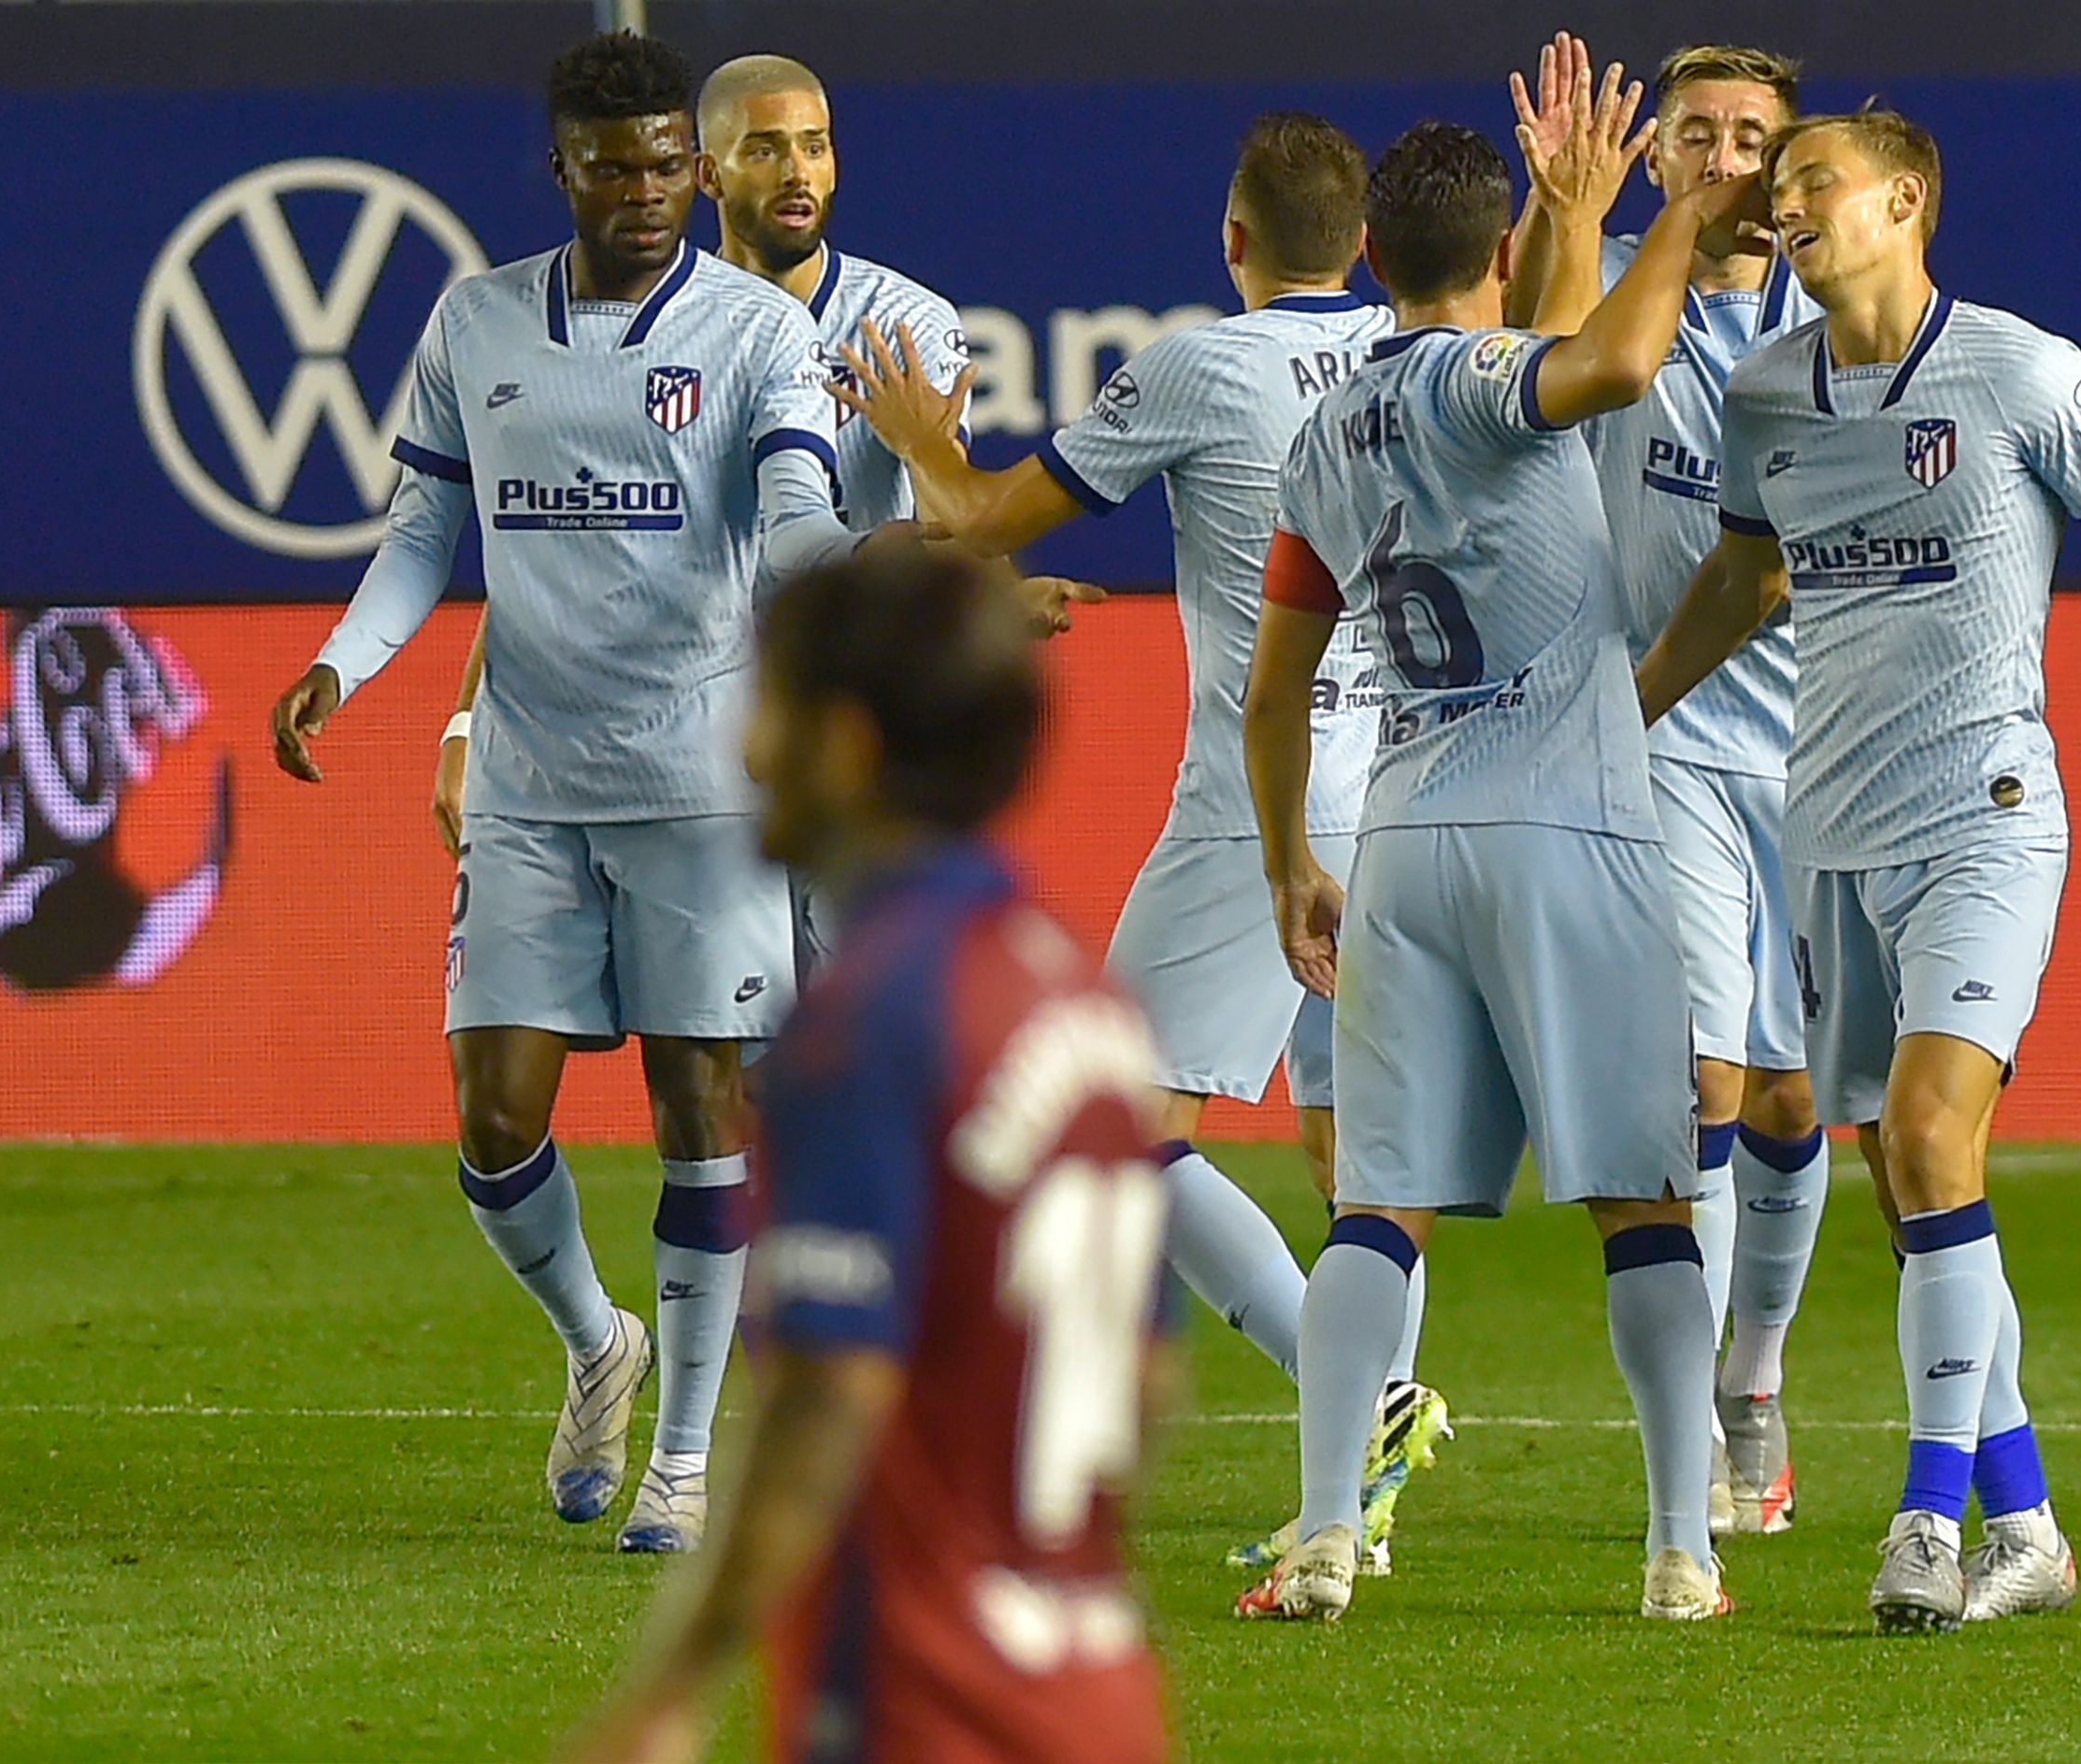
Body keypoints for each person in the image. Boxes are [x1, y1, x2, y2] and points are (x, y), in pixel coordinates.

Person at [1637, 108, 2081, 1631]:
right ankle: (2027, 1522)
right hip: (1826, 832)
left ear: (1904, 202)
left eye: (1814, 180)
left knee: (1939, 1138)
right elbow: (1744, 577)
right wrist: (1620, 711)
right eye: (1782, 189)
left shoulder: (2022, 370)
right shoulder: (1766, 393)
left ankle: (1926, 1525)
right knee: (1904, 1181)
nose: (1789, 203)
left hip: (1986, 814)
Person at [269, 30, 864, 1555]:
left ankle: (679, 1456)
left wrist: (876, 576)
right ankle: (599, 1338)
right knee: (493, 1114)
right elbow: (421, 535)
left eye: (673, 162)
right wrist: (344, 666)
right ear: (564, 173)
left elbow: (794, 518)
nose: (652, 189)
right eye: (619, 167)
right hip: (533, 785)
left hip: (697, 785)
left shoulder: (750, 332)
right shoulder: (476, 323)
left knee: (698, 1101)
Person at [834, 113, 1449, 1573]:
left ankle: (1351, 1402)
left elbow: (978, 520)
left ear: (1232, 241)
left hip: (1267, 800)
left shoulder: (1197, 366)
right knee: (1364, 1147)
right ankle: (1354, 1485)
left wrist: (922, 440)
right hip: (1424, 781)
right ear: (1361, 244)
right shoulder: (1415, 359)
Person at [1237, 109, 1746, 1625]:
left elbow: (1274, 691)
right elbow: (1606, 365)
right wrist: (1674, 211)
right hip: (1565, 833)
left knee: (1376, 1209)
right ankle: (1678, 1547)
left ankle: (1326, 1528)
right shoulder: (1495, 381)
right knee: (1643, 1199)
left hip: (1401, 839)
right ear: (1503, 257)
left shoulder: (1325, 433)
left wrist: (1287, 867)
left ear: (1373, 258)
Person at [563, 544, 1173, 1764]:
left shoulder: (868, 1023)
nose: (743, 748)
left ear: (843, 746)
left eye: (766, 701)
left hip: (922, 1697)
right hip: (1097, 1681)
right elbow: (1148, 1381)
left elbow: (826, 1395)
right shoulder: (1085, 1009)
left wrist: (671, 1685)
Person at [428, 51, 1084, 862]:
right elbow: (560, 540)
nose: (797, 171)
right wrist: (466, 721)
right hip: (676, 742)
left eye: (815, 145)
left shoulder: (899, 323)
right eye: (766, 149)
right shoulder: (636, 321)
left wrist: (993, 585)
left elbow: (950, 518)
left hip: (844, 735)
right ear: (706, 172)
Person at [1510, 34, 1830, 1540]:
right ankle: (1701, 1425)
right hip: (1660, 737)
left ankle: (1755, 1370)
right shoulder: (1621, 285)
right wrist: (1564, 213)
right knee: (1702, 1081)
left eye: (1747, 137)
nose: (1719, 159)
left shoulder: (1833, 313)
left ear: (1787, 157)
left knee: (1793, 1095)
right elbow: (1525, 368)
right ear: (1656, 157)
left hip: (1824, 745)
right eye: (1692, 133)